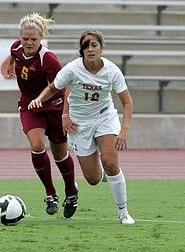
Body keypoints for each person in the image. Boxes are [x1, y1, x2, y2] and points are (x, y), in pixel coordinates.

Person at [27, 30, 135, 225]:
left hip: (104, 118)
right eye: (86, 46)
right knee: (93, 179)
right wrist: (41, 101)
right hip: (79, 124)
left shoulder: (112, 71)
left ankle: (123, 212)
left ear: (101, 48)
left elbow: (127, 102)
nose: (90, 49)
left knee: (111, 162)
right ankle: (101, 173)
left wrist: (124, 130)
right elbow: (54, 88)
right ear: (81, 50)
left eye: (94, 45)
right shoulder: (72, 69)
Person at [5, 12, 79, 218]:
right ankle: (50, 193)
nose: (28, 43)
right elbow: (13, 53)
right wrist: (11, 64)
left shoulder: (49, 59)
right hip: (30, 107)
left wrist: (65, 114)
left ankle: (71, 191)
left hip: (54, 108)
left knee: (60, 156)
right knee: (37, 146)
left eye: (33, 39)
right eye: (25, 38)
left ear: (41, 39)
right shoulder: (16, 48)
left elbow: (64, 87)